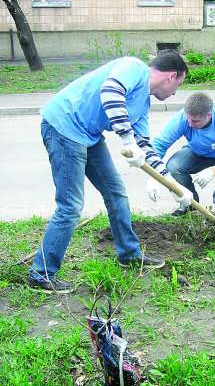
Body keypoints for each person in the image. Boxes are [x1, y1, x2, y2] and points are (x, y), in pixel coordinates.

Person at [28, 50, 193, 293]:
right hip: (63, 127)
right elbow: (110, 92)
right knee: (71, 206)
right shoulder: (134, 68)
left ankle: (129, 254)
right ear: (171, 76)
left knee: (116, 192)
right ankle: (41, 274)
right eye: (179, 84)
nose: (175, 93)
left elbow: (145, 146)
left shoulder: (142, 104)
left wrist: (174, 186)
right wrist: (127, 139)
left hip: (89, 136)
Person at [147, 92, 215, 216]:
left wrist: (213, 170)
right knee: (173, 167)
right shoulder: (183, 118)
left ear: (209, 115)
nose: (190, 123)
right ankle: (190, 205)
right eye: (188, 118)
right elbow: (159, 145)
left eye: (195, 121)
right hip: (195, 152)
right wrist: (153, 176)